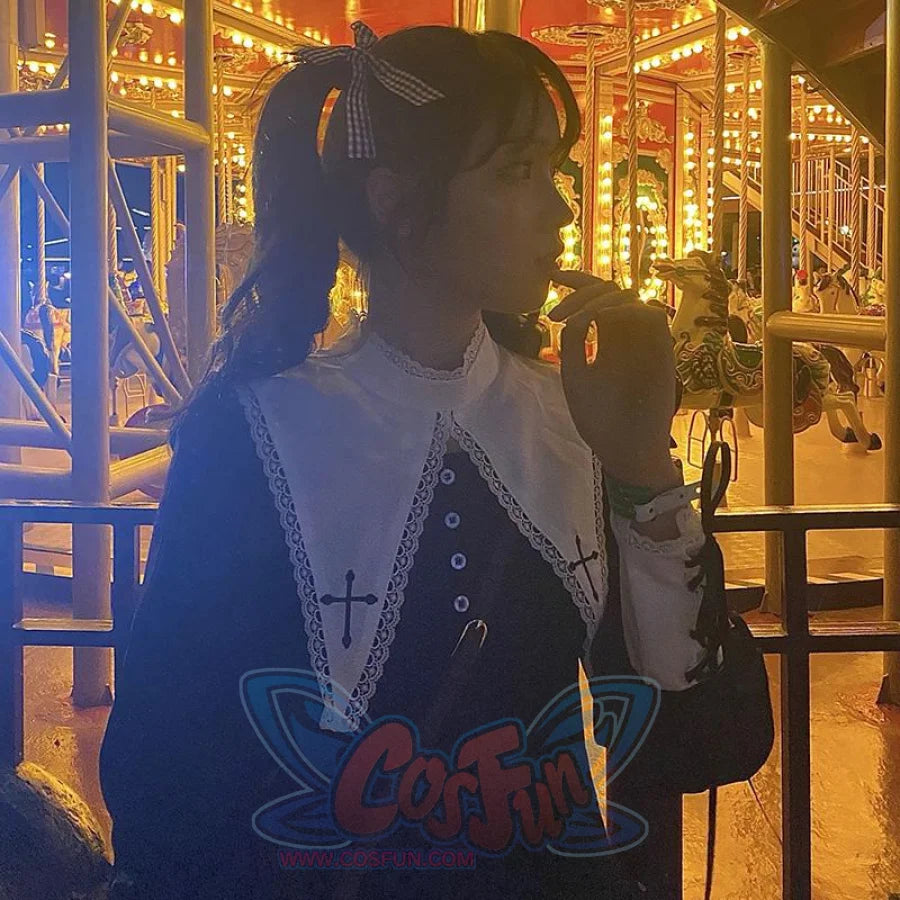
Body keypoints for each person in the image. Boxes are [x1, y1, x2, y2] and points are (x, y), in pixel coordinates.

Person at [100, 23, 765, 900]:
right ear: (395, 201)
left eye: (554, 171)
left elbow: (699, 737)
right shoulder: (255, 428)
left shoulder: (574, 417)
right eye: (517, 172)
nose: (561, 210)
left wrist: (645, 470)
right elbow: (168, 768)